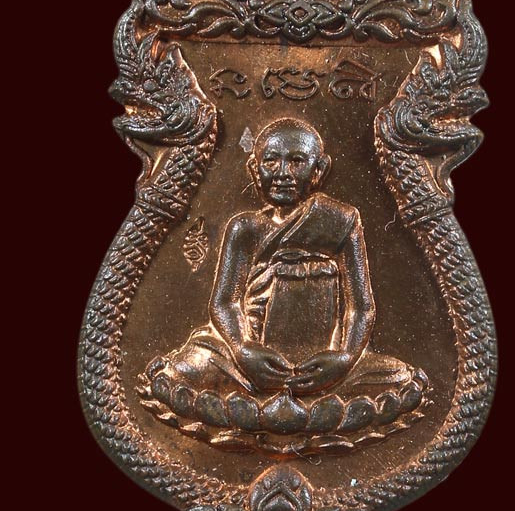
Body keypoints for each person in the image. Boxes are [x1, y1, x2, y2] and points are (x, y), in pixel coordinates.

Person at [152, 118, 423, 398]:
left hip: (323, 360)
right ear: (254, 169)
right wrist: (242, 348)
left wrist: (344, 358)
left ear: (319, 170)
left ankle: (277, 401)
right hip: (251, 359)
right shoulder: (244, 227)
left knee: (397, 377)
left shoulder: (341, 220)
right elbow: (224, 302)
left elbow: (361, 307)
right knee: (188, 367)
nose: (283, 173)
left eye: (297, 162)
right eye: (271, 162)